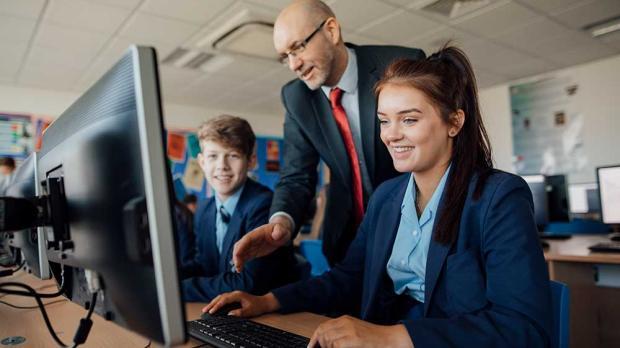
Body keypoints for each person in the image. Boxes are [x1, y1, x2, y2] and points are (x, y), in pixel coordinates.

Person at [203, 46, 552, 347]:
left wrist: (390, 337)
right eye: (384, 121)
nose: (391, 135)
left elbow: (523, 329)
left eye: (409, 120)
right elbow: (348, 278)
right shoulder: (387, 197)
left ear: (454, 123)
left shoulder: (498, 197)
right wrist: (268, 301)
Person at [233, 0, 426, 269]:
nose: (293, 65)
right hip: (348, 239)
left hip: (413, 231)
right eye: (284, 56)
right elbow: (296, 175)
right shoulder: (297, 97)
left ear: (332, 31)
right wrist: (281, 223)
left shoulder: (399, 66)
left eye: (298, 48)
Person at [181, 115, 298, 302]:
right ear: (202, 162)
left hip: (271, 318)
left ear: (251, 161)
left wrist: (180, 289)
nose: (222, 166)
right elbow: (204, 265)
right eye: (213, 156)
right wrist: (166, 277)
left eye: (233, 155)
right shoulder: (204, 209)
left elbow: (248, 283)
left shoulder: (264, 204)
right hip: (225, 313)